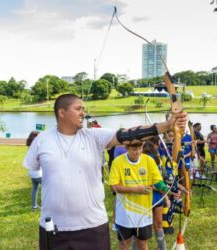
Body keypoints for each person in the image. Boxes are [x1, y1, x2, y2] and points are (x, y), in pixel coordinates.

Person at [23, 93, 187, 250]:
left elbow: (130, 134)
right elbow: (34, 169)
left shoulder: (93, 136)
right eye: (78, 108)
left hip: (92, 226)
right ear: (62, 112)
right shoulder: (42, 140)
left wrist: (167, 125)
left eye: (84, 108)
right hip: (53, 227)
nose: (83, 112)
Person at [109, 141, 174, 250]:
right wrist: (136, 190)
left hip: (143, 213)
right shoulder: (118, 162)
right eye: (134, 149)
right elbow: (113, 187)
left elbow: (157, 181)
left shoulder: (149, 160)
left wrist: (165, 189)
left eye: (140, 148)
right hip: (124, 214)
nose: (138, 152)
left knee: (143, 244)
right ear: (126, 148)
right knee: (124, 244)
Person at [26, 131, 42, 210]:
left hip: (31, 172)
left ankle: (34, 206)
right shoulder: (38, 147)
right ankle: (46, 206)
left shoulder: (29, 147)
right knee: (47, 190)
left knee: (35, 189)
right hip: (39, 173)